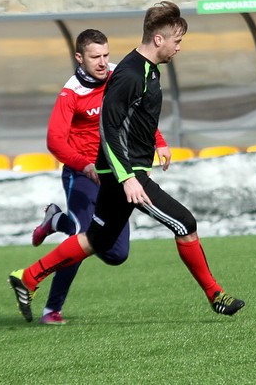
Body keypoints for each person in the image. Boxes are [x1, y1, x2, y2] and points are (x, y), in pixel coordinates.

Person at [9, 1, 245, 322]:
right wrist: (128, 178)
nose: (179, 47)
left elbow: (137, 117)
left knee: (98, 240)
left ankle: (28, 277)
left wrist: (158, 142)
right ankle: (215, 295)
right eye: (176, 40)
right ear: (158, 39)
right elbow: (108, 128)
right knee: (184, 223)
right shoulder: (131, 74)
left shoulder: (146, 69)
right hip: (125, 173)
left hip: (121, 171)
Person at [30, 28, 172, 325]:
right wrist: (84, 165)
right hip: (82, 175)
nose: (103, 62)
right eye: (95, 57)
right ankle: (51, 309)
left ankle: (55, 220)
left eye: (106, 55)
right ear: (79, 58)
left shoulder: (119, 75)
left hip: (115, 172)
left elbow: (139, 113)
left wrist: (159, 141)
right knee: (79, 237)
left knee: (117, 254)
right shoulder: (71, 93)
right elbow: (55, 141)